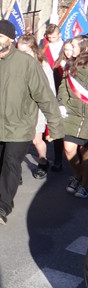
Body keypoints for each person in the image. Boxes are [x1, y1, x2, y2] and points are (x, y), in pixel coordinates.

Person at [0, 20, 63, 225]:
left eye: (0, 36)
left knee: (10, 163)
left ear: (10, 39)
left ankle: (2, 205)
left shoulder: (27, 63)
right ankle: (8, 187)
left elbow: (44, 96)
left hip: (20, 124)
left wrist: (55, 125)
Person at [16, 34, 56, 180]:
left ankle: (43, 162)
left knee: (35, 139)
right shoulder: (16, 63)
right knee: (18, 139)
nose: (21, 55)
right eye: (18, 51)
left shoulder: (42, 65)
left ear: (33, 49)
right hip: (19, 107)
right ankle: (15, 170)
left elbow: (50, 90)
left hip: (37, 107)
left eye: (24, 52)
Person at [57, 35, 88, 199]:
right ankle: (77, 175)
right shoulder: (70, 64)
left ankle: (84, 184)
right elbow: (63, 86)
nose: (71, 48)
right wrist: (62, 103)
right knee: (69, 148)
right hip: (72, 113)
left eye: (74, 45)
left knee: (85, 152)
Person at [40, 23, 65, 172]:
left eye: (53, 37)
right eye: (48, 37)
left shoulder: (66, 47)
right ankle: (43, 157)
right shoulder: (43, 45)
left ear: (59, 35)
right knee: (43, 124)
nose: (50, 40)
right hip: (46, 87)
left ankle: (58, 159)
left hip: (61, 88)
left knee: (56, 125)